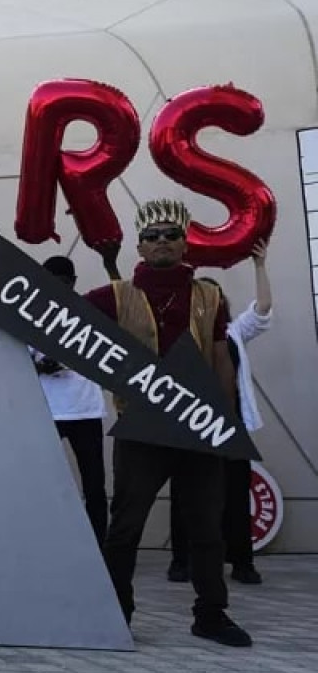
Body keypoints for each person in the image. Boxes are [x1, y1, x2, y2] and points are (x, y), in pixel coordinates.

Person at [84, 198, 251, 647]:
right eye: (152, 236)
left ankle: (211, 614)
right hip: (141, 428)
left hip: (198, 427)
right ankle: (116, 612)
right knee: (126, 525)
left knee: (205, 526)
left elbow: (220, 359)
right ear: (139, 246)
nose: (161, 242)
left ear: (184, 243)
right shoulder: (113, 295)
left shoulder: (209, 295)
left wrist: (226, 422)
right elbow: (63, 326)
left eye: (170, 235)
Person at [168, 238, 274, 585]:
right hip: (190, 423)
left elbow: (262, 308)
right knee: (184, 494)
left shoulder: (234, 331)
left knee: (233, 493)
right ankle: (181, 561)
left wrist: (259, 266)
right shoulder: (180, 331)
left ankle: (242, 563)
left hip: (231, 426)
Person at [32, 256, 108, 547]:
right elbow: (21, 355)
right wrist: (41, 366)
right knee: (42, 481)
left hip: (85, 408)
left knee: (94, 484)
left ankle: (98, 544)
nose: (56, 287)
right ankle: (48, 541)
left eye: (63, 282)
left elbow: (99, 352)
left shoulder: (88, 312)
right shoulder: (30, 312)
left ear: (73, 283)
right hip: (47, 408)